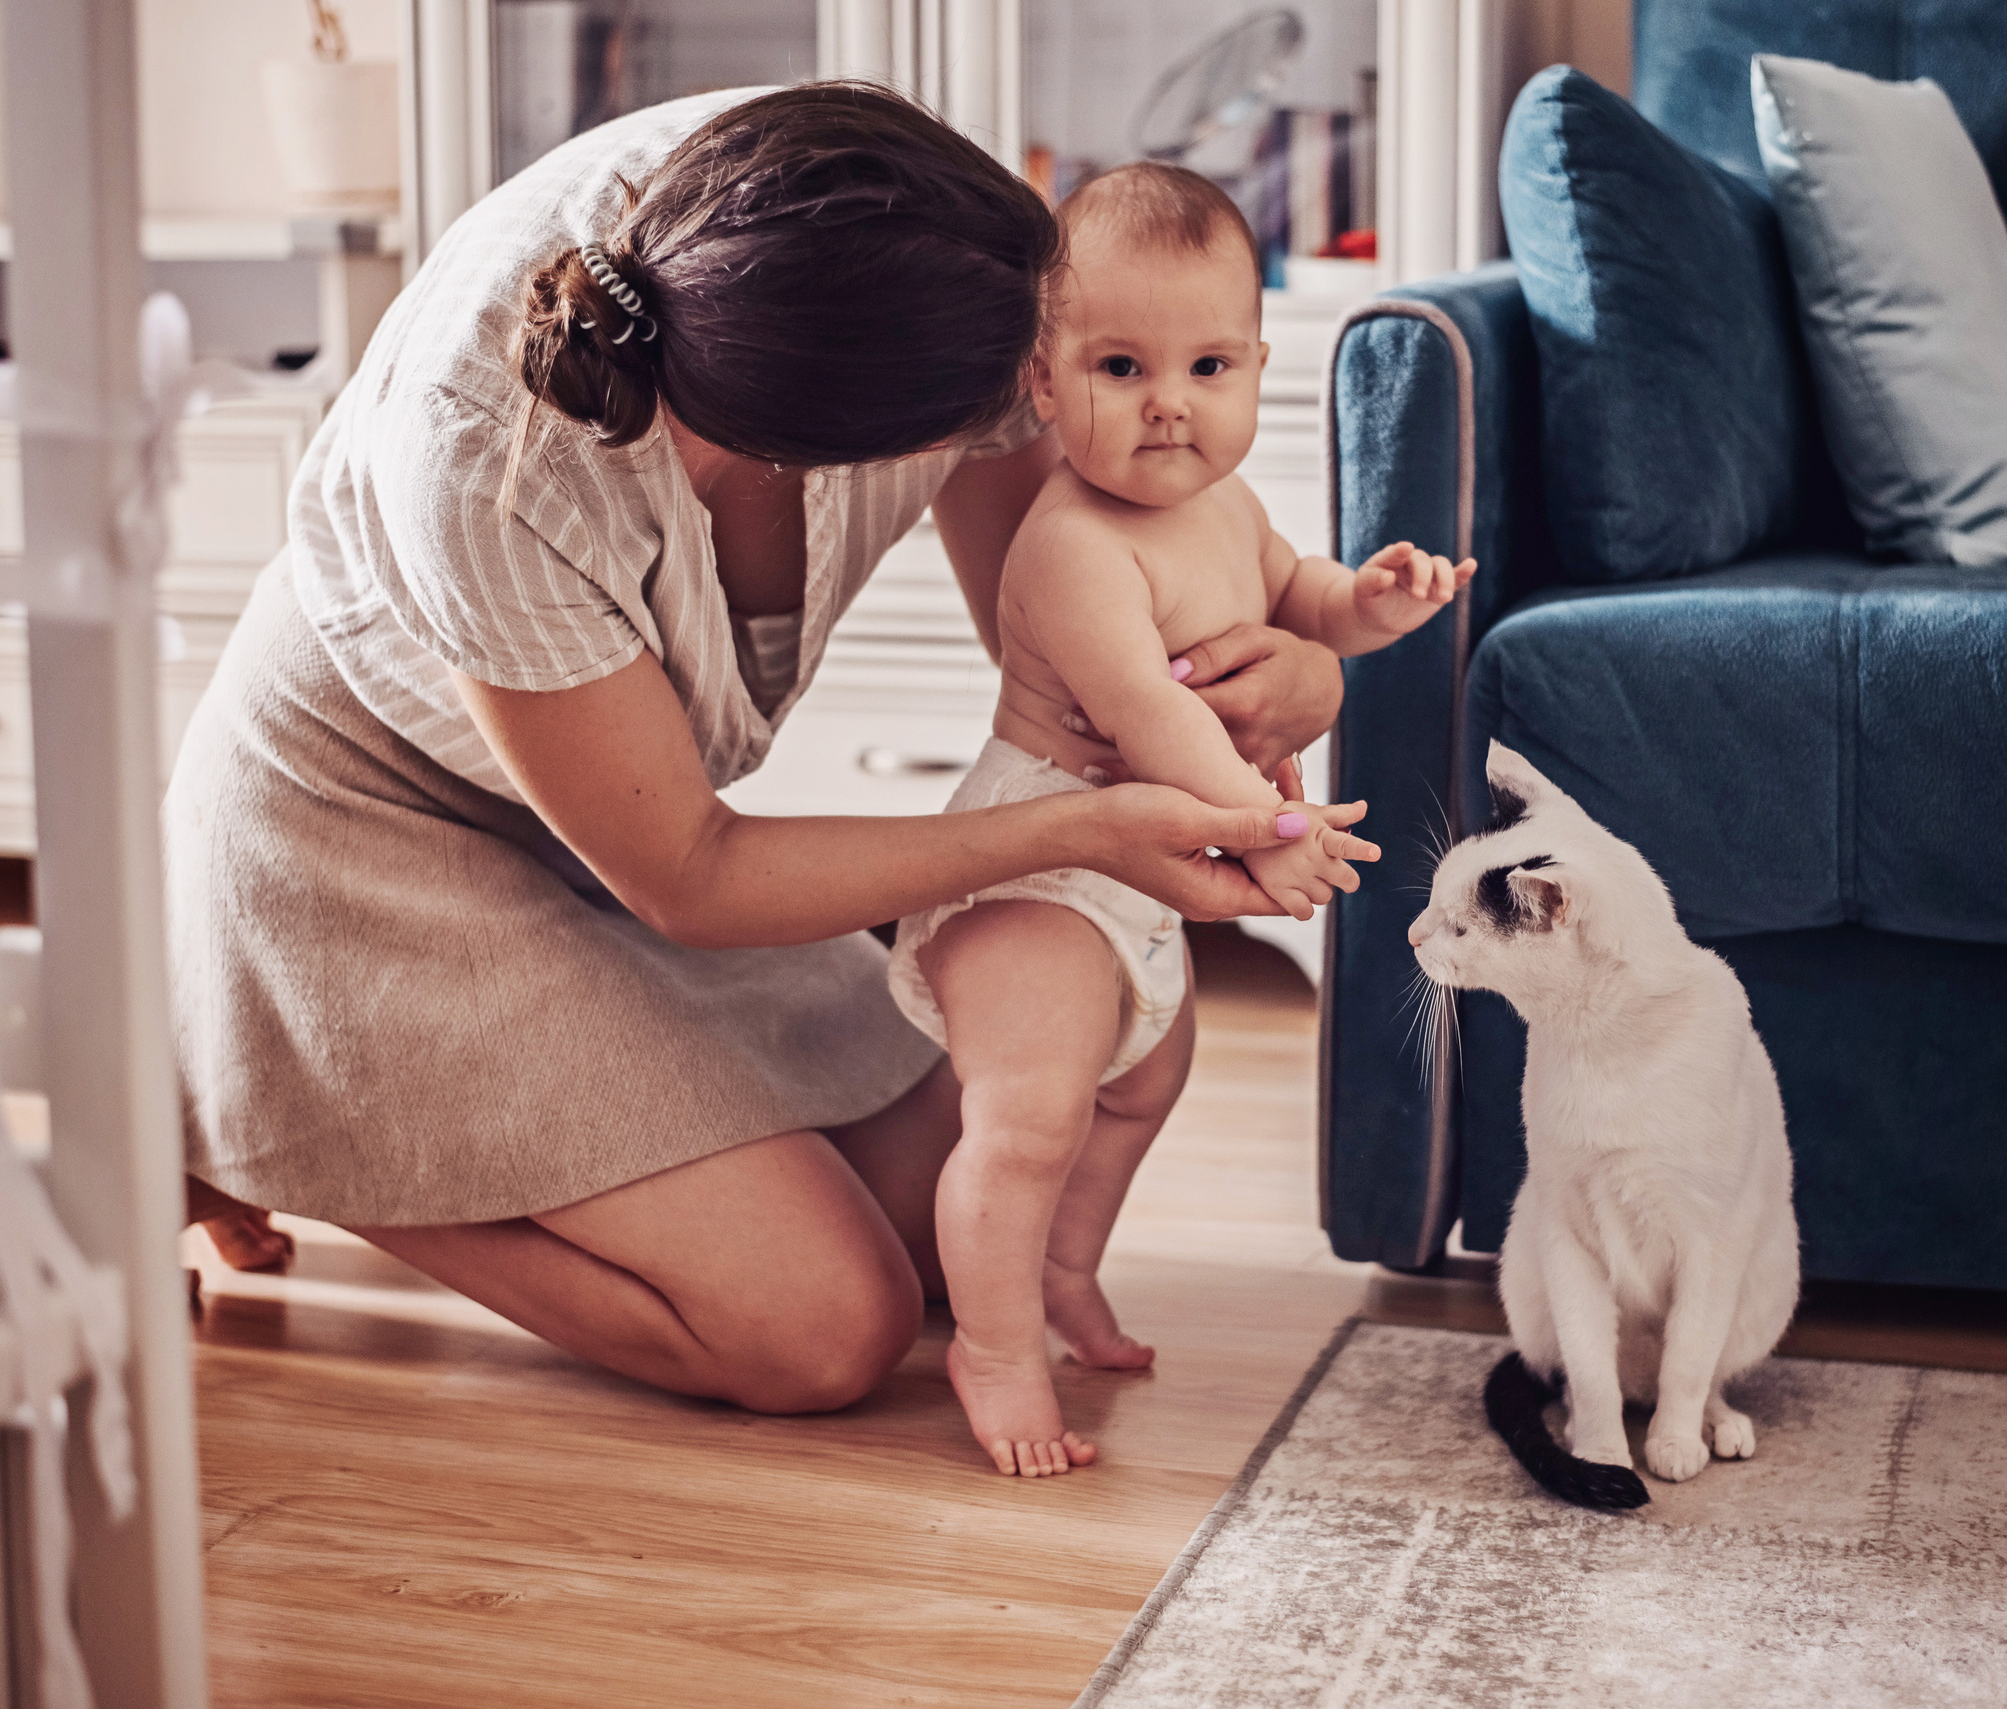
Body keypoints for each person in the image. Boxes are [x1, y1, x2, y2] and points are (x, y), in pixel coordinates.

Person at [165, 85, 1358, 1414]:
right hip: (365, 822)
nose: (1039, 410)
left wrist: (1291, 668)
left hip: (630, 822)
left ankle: (316, 1122)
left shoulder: (890, 217)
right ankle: (263, 1132)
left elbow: (1082, 627)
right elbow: (694, 875)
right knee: (822, 1328)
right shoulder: (490, 469)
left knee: (952, 1200)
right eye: (999, 413)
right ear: (819, 449)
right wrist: (1081, 832)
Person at [887, 164, 1474, 1475]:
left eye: (1210, 366)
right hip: (1040, 862)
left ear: (1261, 364)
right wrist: (1279, 826)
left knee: (1144, 1082)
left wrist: (1371, 603)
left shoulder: (1225, 507)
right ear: (1043, 381)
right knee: (1031, 1117)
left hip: (1142, 866)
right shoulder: (1072, 547)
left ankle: (1068, 1273)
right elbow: (1159, 725)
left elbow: (1297, 602)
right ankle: (993, 1343)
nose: (1170, 406)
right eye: (1119, 367)